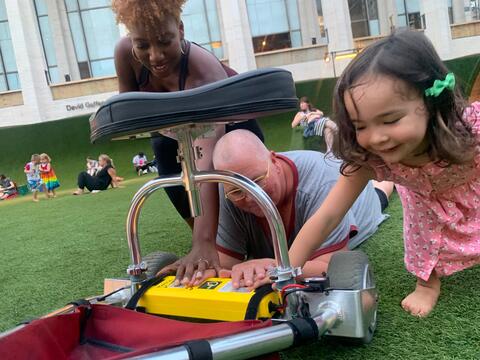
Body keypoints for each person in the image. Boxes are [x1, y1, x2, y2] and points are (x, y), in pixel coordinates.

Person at [287, 30, 480, 317]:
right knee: (421, 237)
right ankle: (427, 284)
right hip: (424, 204)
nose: (376, 138)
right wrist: (285, 271)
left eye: (390, 120)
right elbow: (328, 215)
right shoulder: (369, 158)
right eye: (361, 126)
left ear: (430, 103)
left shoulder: (470, 128)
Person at [112, 0, 264, 285]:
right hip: (169, 125)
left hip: (232, 118)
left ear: (180, 31)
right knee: (166, 161)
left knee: (233, 176)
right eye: (142, 45)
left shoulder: (203, 69)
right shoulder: (124, 53)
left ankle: (219, 241)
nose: (154, 56)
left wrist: (205, 240)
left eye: (164, 41)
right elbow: (133, 111)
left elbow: (206, 165)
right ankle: (209, 247)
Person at [205, 130, 392, 289]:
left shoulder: (321, 183)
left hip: (362, 198)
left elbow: (329, 266)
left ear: (274, 160)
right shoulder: (229, 189)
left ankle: (390, 183)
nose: (251, 196)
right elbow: (226, 265)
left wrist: (274, 267)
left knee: (379, 192)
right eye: (237, 191)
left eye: (258, 181)